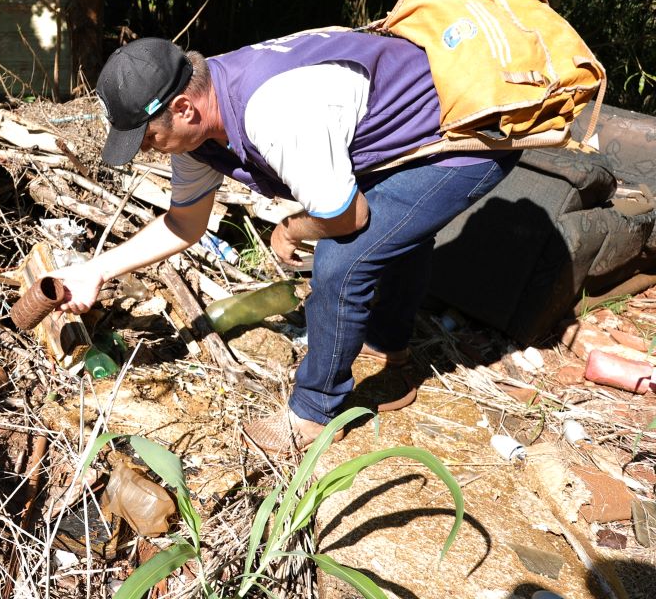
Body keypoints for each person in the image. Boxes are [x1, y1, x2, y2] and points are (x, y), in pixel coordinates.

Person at [50, 31, 517, 455]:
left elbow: (346, 216)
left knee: (343, 259)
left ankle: (312, 412)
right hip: (405, 136)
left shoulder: (271, 111)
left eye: (148, 138)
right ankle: (389, 343)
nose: (148, 149)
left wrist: (291, 228)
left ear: (182, 109)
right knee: (393, 233)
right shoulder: (201, 117)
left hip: (468, 136)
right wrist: (97, 269)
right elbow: (185, 223)